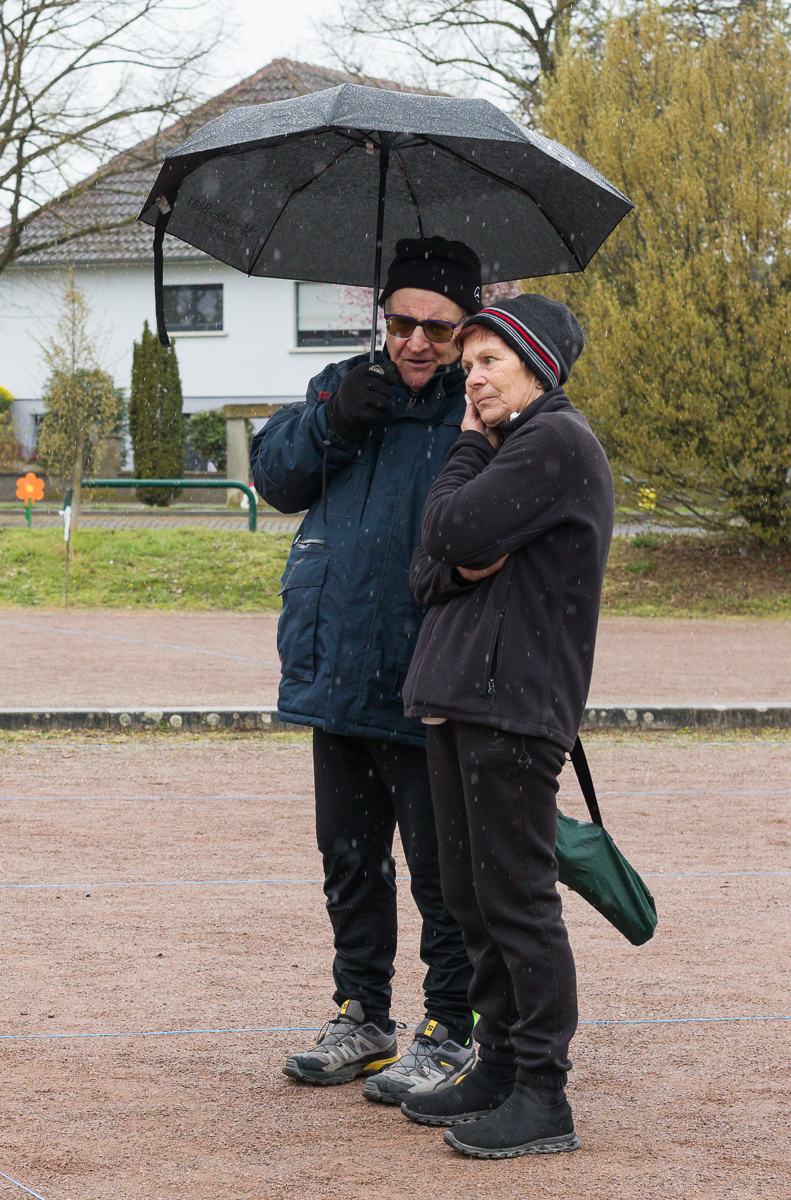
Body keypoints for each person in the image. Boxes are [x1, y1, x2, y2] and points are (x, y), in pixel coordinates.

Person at [250, 237, 483, 1102]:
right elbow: (275, 479)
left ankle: (450, 1026)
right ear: (382, 319)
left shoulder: (484, 405)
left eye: (438, 327)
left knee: (443, 870)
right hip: (338, 664)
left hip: (430, 675)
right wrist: (337, 420)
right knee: (349, 858)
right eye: (401, 322)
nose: (416, 341)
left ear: (466, 329)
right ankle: (363, 1016)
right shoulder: (339, 387)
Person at [400, 295, 615, 1157]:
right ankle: (496, 1065)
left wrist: (462, 460)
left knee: (517, 901)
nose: (472, 380)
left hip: (513, 707)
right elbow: (426, 568)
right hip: (462, 698)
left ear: (537, 366)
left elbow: (448, 525)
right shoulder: (510, 451)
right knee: (471, 896)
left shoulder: (552, 442)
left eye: (489, 361)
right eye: (468, 366)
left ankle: (541, 1094)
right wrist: (461, 557)